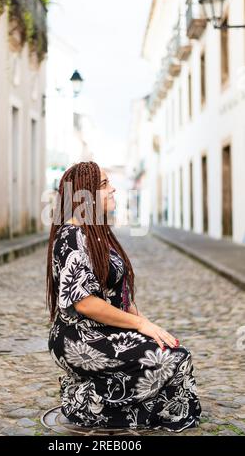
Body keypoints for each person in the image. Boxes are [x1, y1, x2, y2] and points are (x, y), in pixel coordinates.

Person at [45, 161, 202, 432]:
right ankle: (84, 401)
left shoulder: (98, 233)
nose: (113, 189)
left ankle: (95, 395)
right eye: (105, 185)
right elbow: (85, 302)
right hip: (80, 338)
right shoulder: (72, 236)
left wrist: (149, 325)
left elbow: (122, 294)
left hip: (108, 332)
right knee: (173, 361)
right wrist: (140, 326)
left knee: (174, 354)